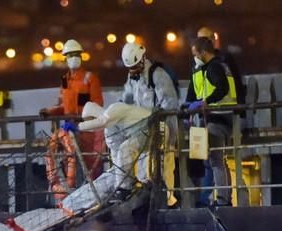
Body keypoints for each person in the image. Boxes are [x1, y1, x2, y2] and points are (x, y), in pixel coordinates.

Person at [40, 39, 106, 202]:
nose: (73, 58)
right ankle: (68, 197)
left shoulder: (91, 78)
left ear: (81, 56)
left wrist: (81, 118)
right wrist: (49, 112)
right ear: (65, 58)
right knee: (68, 162)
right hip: (70, 129)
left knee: (92, 167)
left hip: (88, 130)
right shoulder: (65, 80)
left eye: (76, 55)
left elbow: (97, 104)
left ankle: (95, 199)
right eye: (70, 55)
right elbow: (63, 104)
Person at [121, 42, 180, 207]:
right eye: (129, 68)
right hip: (143, 129)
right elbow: (127, 98)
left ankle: (168, 202)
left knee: (164, 165)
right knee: (140, 162)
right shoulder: (133, 78)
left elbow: (170, 104)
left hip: (162, 127)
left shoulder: (158, 75)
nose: (132, 71)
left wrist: (158, 119)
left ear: (142, 60)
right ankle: (141, 196)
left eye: (134, 66)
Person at [186, 36, 238, 207]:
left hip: (219, 118)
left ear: (203, 52)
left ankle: (223, 199)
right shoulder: (205, 69)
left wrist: (205, 102)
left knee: (215, 159)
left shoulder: (215, 68)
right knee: (207, 160)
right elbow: (195, 93)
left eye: (195, 54)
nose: (194, 57)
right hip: (207, 119)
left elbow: (222, 89)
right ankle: (210, 197)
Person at [78, 101, 152, 202]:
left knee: (125, 150)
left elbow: (102, 121)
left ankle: (124, 188)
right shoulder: (111, 127)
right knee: (125, 152)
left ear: (95, 114)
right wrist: (117, 176)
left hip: (149, 128)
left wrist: (78, 127)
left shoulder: (114, 109)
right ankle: (126, 185)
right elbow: (115, 150)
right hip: (141, 134)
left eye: (91, 120)